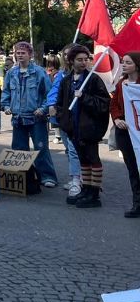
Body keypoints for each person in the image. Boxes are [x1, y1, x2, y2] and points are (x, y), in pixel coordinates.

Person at [55, 45, 111, 208]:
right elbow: (60, 103)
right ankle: (85, 189)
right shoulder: (66, 81)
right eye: (79, 60)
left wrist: (84, 97)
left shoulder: (93, 80)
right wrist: (62, 118)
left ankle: (94, 192)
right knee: (83, 160)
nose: (83, 62)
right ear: (71, 61)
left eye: (86, 59)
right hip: (74, 128)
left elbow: (103, 103)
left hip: (89, 128)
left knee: (93, 158)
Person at [1, 41, 58, 188]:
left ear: (30, 55)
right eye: (17, 53)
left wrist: (43, 109)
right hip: (18, 118)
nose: (20, 55)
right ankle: (23, 176)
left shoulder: (39, 72)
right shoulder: (11, 73)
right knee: (19, 149)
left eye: (23, 53)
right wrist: (6, 105)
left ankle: (47, 176)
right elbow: (6, 92)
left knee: (41, 148)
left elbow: (49, 93)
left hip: (36, 117)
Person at [46, 44, 82, 201]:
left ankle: (77, 179)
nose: (68, 58)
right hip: (65, 119)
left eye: (71, 55)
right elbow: (53, 93)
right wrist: (51, 105)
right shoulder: (61, 75)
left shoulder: (86, 76)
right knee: (70, 150)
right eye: (65, 55)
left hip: (80, 120)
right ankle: (77, 177)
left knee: (74, 150)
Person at [110, 51, 140, 217]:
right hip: (126, 132)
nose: (124, 65)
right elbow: (114, 105)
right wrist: (117, 119)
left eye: (128, 62)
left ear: (136, 64)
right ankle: (137, 203)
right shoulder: (122, 84)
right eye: (123, 62)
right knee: (133, 169)